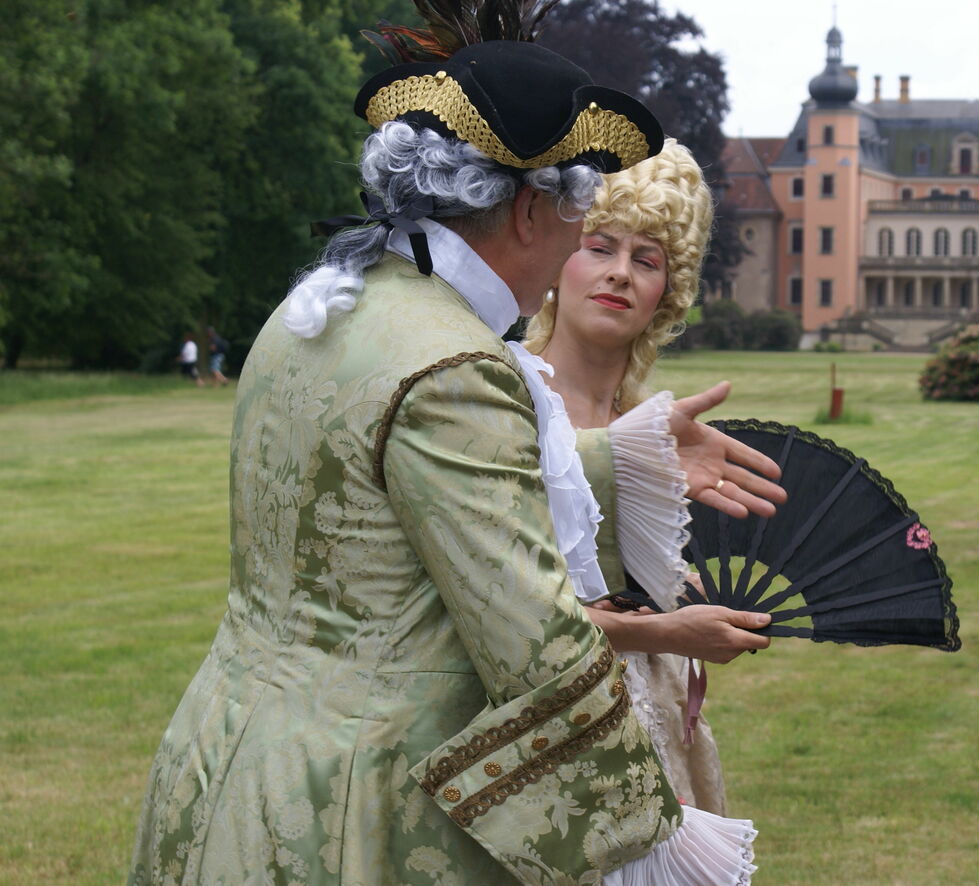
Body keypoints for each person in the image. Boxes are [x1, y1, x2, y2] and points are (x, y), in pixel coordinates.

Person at [128, 7, 780, 885]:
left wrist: (626, 456)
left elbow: (373, 492)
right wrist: (659, 840)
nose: (567, 256)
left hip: (230, 764)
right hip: (359, 810)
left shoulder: (316, 308)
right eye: (575, 221)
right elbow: (538, 647)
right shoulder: (457, 364)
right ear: (525, 212)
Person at [524, 141, 767, 814]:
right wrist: (663, 628)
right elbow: (506, 607)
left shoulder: (654, 426)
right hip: (537, 731)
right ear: (557, 257)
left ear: (669, 289)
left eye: (647, 259)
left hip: (649, 718)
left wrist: (671, 590)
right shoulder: (501, 394)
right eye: (599, 246)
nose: (620, 274)